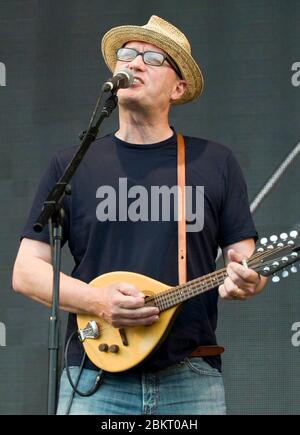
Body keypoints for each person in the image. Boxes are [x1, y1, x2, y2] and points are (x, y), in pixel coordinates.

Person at [12, 15, 267, 415]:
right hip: (95, 375)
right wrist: (97, 301)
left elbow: (245, 260)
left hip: (190, 377)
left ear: (178, 88)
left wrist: (247, 279)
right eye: (126, 55)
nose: (133, 64)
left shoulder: (214, 162)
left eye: (151, 57)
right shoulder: (73, 164)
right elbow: (27, 271)